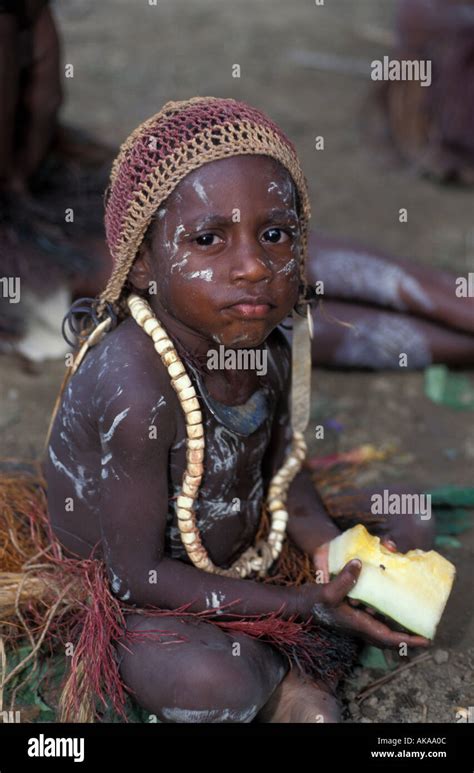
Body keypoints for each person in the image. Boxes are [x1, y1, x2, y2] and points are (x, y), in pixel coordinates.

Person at [44, 97, 430, 724]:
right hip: (148, 590)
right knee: (209, 678)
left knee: (409, 521)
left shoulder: (271, 348)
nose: (253, 266)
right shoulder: (135, 387)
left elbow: (283, 472)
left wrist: (331, 551)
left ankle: (295, 650)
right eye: (207, 240)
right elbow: (135, 575)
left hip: (246, 548)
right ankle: (287, 678)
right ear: (142, 264)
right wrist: (306, 604)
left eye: (275, 234)